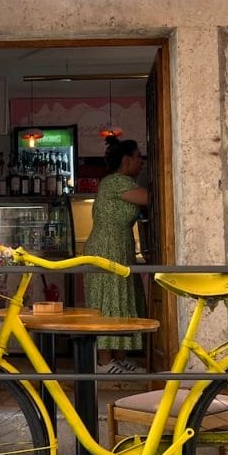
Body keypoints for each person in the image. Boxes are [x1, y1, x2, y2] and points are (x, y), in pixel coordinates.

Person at [82, 137, 148, 372]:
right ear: (126, 160)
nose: (142, 162)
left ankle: (119, 358)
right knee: (108, 301)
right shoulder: (115, 181)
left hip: (120, 247)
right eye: (139, 157)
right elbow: (150, 198)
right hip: (106, 247)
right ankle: (104, 361)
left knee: (123, 300)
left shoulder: (124, 182)